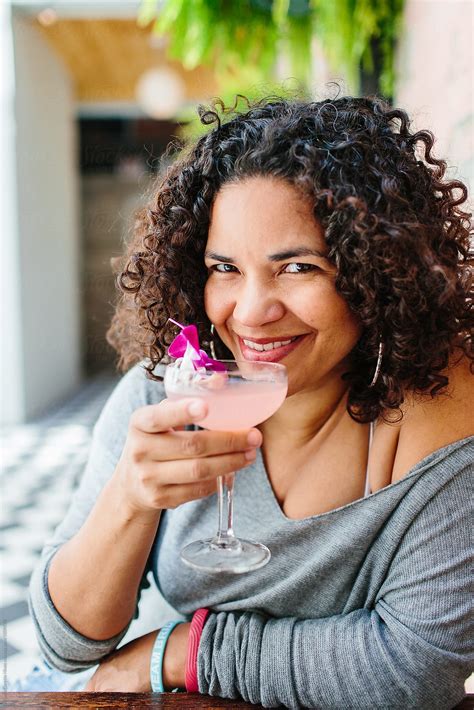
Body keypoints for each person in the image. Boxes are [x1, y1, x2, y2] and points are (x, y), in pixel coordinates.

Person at [27, 94, 473, 708]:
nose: (252, 313)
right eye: (225, 268)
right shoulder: (167, 394)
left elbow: (406, 670)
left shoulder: (444, 416)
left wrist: (184, 651)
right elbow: (65, 645)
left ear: (377, 269)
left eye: (297, 269)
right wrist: (130, 498)